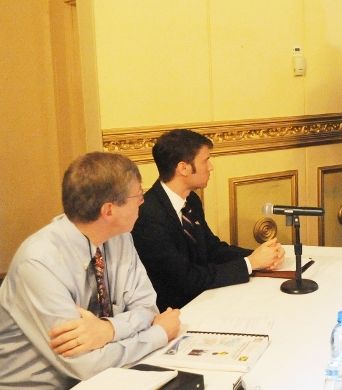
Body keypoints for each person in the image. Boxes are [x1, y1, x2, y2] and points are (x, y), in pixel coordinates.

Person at [0, 152, 181, 389]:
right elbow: (84, 363)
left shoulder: (120, 238)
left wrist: (109, 329)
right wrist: (158, 334)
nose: (142, 201)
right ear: (108, 211)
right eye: (137, 195)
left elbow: (147, 307)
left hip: (107, 377)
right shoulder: (38, 263)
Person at [132, 129, 285, 310]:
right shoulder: (148, 215)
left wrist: (260, 255)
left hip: (204, 298)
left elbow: (211, 249)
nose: (210, 167)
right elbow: (184, 280)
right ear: (184, 168)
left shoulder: (191, 200)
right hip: (176, 310)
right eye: (205, 160)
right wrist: (250, 264)